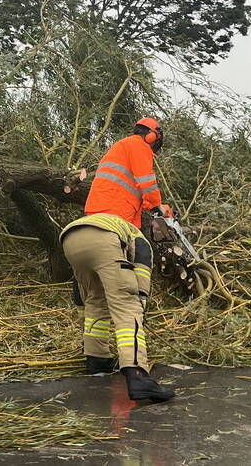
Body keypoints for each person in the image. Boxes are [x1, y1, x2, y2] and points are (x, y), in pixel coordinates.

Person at [60, 117, 175, 402]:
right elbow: (147, 185)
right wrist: (158, 206)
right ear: (151, 135)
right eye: (157, 136)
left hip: (76, 234)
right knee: (127, 305)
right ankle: (137, 375)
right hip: (109, 234)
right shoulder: (138, 146)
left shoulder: (115, 152)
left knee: (95, 300)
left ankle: (97, 360)